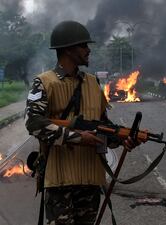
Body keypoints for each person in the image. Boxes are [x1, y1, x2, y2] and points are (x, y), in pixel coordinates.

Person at [25, 20, 136, 225]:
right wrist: (77, 137)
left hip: (91, 183)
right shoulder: (44, 82)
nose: (88, 50)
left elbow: (102, 128)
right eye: (83, 45)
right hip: (60, 184)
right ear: (68, 49)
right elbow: (33, 122)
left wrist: (122, 139)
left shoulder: (93, 83)